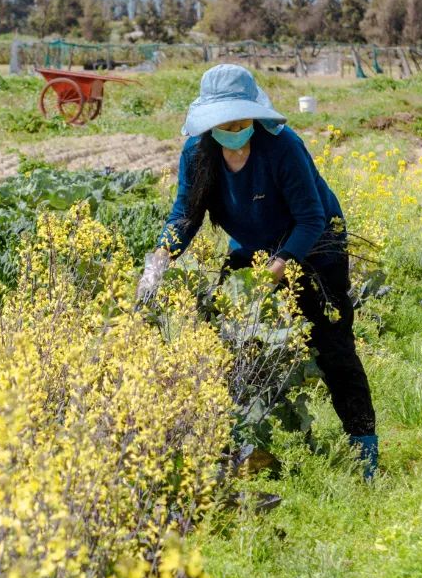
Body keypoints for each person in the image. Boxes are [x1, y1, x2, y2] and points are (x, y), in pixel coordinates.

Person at [136, 63, 378, 481]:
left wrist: (279, 269)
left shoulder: (282, 147)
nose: (235, 127)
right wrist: (158, 260)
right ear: (210, 121)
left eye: (241, 118)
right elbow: (184, 216)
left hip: (317, 245)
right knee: (228, 336)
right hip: (253, 248)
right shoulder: (197, 153)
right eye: (225, 121)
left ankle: (364, 453)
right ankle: (238, 446)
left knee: (332, 343)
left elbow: (310, 218)